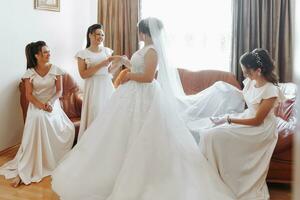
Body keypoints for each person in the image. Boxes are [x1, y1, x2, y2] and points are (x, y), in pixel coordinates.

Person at [51, 18, 236, 200]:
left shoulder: (153, 50)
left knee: (142, 130)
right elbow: (140, 67)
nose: (138, 33)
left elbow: (148, 77)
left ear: (144, 32)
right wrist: (127, 65)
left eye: (139, 30)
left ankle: (141, 171)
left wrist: (128, 75)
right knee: (122, 131)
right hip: (133, 92)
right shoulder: (145, 49)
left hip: (145, 93)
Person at [198, 48, 285, 199]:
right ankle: (211, 180)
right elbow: (248, 99)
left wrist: (228, 119)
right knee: (207, 133)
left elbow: (257, 120)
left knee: (213, 135)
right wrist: (224, 89)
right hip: (248, 118)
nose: (244, 74)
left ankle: (225, 182)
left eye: (246, 71)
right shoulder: (251, 82)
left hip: (260, 128)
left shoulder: (271, 90)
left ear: (258, 70)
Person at [0, 41, 75, 187]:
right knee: (38, 118)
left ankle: (47, 160)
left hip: (53, 105)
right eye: (45, 52)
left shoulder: (56, 69)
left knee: (46, 119)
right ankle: (26, 168)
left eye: (48, 51)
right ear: (37, 55)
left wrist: (51, 103)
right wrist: (41, 105)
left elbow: (59, 91)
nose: (49, 54)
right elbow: (28, 95)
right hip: (36, 105)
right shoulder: (29, 73)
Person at [76, 23, 122, 140]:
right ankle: (93, 143)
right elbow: (83, 74)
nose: (100, 37)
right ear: (90, 35)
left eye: (102, 35)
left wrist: (119, 63)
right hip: (93, 87)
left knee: (110, 113)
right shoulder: (83, 54)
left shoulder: (107, 51)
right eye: (98, 34)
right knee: (95, 113)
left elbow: (109, 71)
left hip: (106, 85)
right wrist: (102, 64)